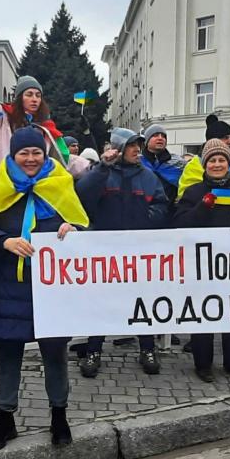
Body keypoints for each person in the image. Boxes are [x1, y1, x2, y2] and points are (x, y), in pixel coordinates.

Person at [0, 127, 89, 450]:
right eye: (24, 153)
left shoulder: (61, 183)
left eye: (37, 152)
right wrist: (3, 241)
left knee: (55, 356)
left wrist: (72, 228)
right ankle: (5, 420)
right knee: (7, 356)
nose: (31, 159)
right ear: (14, 155)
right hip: (10, 286)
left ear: (44, 153)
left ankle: (58, 417)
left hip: (52, 289)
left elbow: (83, 224)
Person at [75, 127, 169, 376]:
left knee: (142, 301)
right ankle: (93, 350)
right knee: (101, 302)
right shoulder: (102, 174)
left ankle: (147, 349)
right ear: (118, 149)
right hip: (105, 251)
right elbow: (82, 196)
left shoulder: (148, 176)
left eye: (139, 145)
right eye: (131, 145)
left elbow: (161, 204)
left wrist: (146, 219)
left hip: (139, 250)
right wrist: (102, 168)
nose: (138, 150)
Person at [172, 140, 230, 382]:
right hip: (203, 263)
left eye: (221, 160)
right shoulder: (194, 192)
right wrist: (202, 207)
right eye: (212, 160)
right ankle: (203, 365)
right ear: (205, 164)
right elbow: (180, 224)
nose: (216, 164)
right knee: (204, 314)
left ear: (229, 163)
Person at [0, 41, 68, 170]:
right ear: (19, 98)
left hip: (37, 183)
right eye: (29, 94)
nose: (34, 99)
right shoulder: (2, 117)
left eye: (38, 95)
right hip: (8, 181)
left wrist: (91, 165)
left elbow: (63, 158)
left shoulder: (47, 127)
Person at [139, 123, 186, 205]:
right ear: (146, 141)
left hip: (171, 212)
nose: (160, 138)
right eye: (155, 135)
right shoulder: (137, 162)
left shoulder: (178, 162)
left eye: (163, 136)